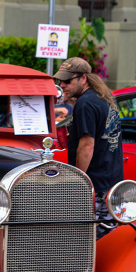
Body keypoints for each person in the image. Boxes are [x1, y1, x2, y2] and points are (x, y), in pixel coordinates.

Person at [54, 57, 123, 238]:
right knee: (109, 236)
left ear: (83, 78)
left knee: (91, 239)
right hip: (112, 180)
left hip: (96, 184)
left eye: (67, 81)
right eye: (60, 81)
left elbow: (87, 145)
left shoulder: (85, 103)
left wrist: (79, 181)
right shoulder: (104, 97)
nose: (63, 85)